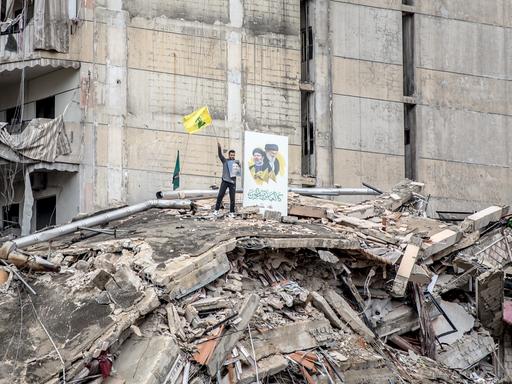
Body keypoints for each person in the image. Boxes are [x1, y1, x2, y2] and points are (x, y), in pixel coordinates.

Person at [214, 143, 240, 217]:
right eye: (231, 155)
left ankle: (231, 212)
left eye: (233, 155)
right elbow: (220, 155)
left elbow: (236, 174)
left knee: (232, 198)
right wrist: (219, 148)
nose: (232, 156)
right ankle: (216, 210)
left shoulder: (236, 163)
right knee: (220, 196)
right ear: (229, 155)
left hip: (232, 183)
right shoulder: (225, 161)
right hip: (225, 181)